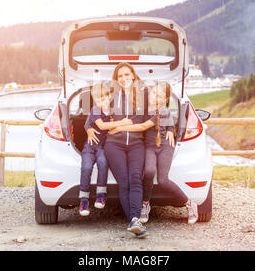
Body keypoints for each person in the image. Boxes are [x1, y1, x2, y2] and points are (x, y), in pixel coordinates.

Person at [109, 82, 199, 224]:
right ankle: (145, 204)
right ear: (149, 93)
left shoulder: (163, 111)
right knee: (149, 172)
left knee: (163, 180)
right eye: (154, 93)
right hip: (149, 146)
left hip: (164, 146)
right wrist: (115, 122)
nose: (155, 97)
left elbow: (143, 126)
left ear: (165, 99)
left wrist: (119, 129)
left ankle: (189, 203)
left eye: (160, 96)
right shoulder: (144, 108)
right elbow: (135, 120)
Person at [86, 63, 148, 238]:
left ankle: (134, 219)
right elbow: (94, 113)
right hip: (114, 145)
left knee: (136, 179)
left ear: (133, 76)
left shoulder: (143, 97)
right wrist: (88, 129)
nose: (124, 78)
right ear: (116, 79)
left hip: (137, 144)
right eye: (120, 76)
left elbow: (152, 118)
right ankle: (134, 221)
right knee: (124, 182)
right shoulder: (111, 96)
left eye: (127, 74)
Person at [79, 82, 132, 216]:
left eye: (103, 99)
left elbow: (115, 127)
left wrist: (121, 124)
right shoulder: (95, 110)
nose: (101, 102)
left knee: (103, 163)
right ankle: (84, 199)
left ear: (109, 97)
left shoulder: (115, 110)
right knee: (86, 167)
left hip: (103, 146)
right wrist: (122, 122)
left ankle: (101, 194)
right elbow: (102, 126)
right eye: (97, 100)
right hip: (90, 145)